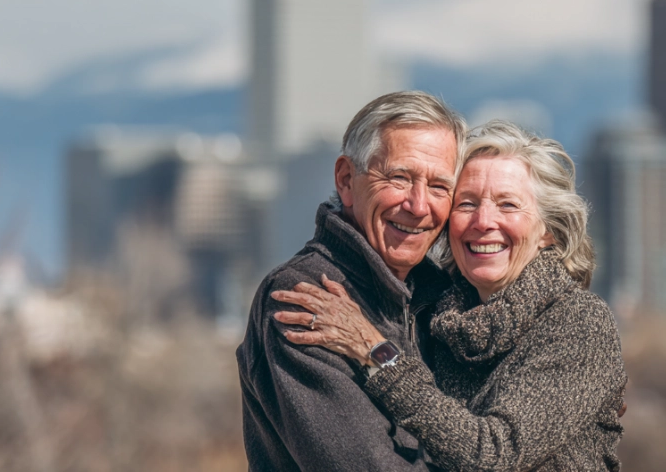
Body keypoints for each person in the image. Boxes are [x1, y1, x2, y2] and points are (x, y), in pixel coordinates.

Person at [271, 121, 628, 471]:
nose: (484, 221)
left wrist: (375, 351)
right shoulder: (441, 319)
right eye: (467, 204)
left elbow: (493, 455)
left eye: (507, 205)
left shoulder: (578, 322)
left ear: (548, 231)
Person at [236, 91, 467, 471]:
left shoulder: (443, 294)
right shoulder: (301, 297)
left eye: (440, 186)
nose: (419, 205)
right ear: (346, 179)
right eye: (399, 177)